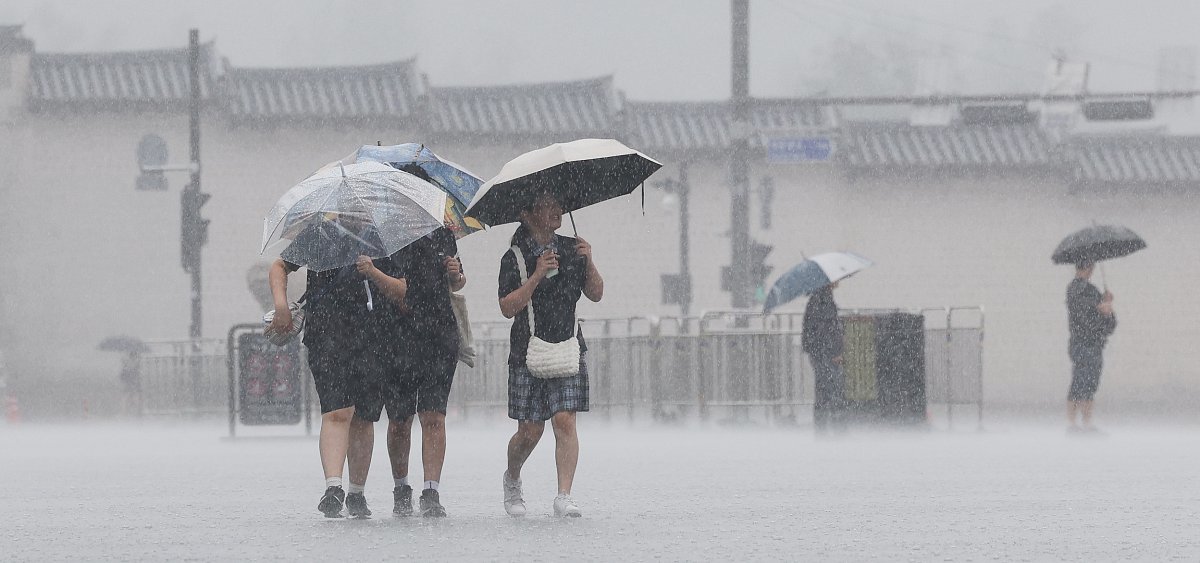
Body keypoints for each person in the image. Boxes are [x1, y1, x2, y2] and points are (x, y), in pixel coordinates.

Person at [498, 193, 604, 518]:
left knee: (564, 421)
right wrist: (536, 274)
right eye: (548, 205)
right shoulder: (515, 256)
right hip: (528, 349)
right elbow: (506, 307)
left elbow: (596, 294)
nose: (557, 211)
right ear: (529, 214)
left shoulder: (573, 248)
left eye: (560, 205)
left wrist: (590, 259)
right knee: (530, 430)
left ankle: (564, 495)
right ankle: (512, 478)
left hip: (567, 346)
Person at [354, 226, 464, 518]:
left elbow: (456, 283)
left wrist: (456, 274)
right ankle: (401, 487)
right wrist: (376, 273)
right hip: (398, 339)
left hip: (439, 336)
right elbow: (399, 291)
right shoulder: (388, 238)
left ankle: (431, 491)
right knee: (400, 420)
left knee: (434, 416)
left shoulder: (444, 235)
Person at [266, 254, 388, 518]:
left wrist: (373, 271)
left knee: (364, 418)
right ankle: (334, 487)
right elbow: (279, 266)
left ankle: (357, 492)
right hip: (327, 333)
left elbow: (401, 284)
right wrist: (281, 305)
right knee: (336, 411)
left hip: (374, 334)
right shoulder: (320, 233)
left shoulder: (378, 238)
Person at [1066, 260, 1116, 432]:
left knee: (1090, 383)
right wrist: (1100, 309)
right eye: (1090, 266)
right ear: (1087, 267)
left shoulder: (1090, 291)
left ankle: (1085, 423)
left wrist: (1107, 306)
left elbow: (1108, 326)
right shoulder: (1077, 290)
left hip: (1093, 344)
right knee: (1081, 382)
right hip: (1083, 344)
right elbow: (1085, 319)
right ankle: (1072, 423)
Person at [802, 282, 845, 433]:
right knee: (833, 391)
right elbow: (828, 330)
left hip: (819, 353)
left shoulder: (816, 299)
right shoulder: (824, 300)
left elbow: (811, 331)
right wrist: (835, 351)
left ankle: (822, 429)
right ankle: (836, 429)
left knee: (823, 391)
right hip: (826, 354)